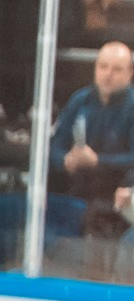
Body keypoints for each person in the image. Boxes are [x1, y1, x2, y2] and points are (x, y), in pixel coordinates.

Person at [51, 41, 134, 220]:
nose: (108, 74)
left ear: (130, 73)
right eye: (103, 67)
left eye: (117, 69)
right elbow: (55, 145)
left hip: (117, 191)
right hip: (77, 188)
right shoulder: (79, 100)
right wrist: (66, 160)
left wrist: (98, 161)